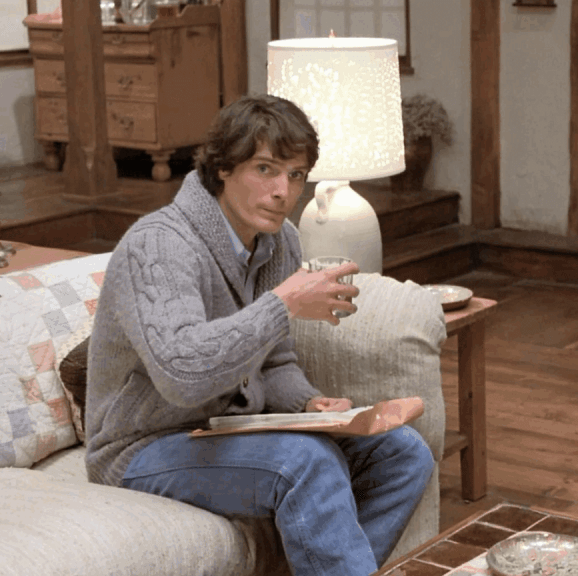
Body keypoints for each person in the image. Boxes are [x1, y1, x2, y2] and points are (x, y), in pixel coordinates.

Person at [85, 94, 434, 576]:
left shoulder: (280, 242)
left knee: (404, 452)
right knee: (305, 461)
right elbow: (181, 374)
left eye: (295, 175)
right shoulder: (159, 243)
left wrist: (308, 405)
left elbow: (273, 361)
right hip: (142, 446)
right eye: (265, 169)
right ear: (223, 167)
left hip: (222, 429)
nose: (283, 192)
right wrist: (283, 304)